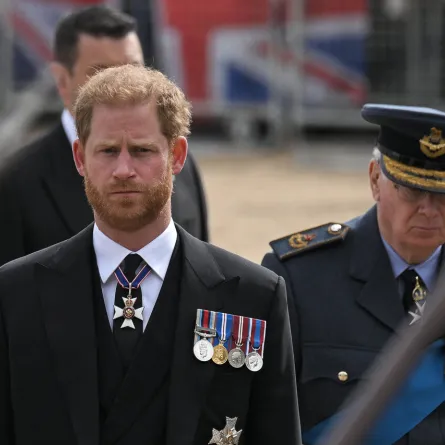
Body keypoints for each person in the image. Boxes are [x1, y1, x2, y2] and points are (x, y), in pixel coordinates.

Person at [0, 64, 301, 445]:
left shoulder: (253, 297)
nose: (123, 170)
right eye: (107, 151)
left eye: (142, 151)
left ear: (177, 155)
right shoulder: (18, 294)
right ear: (80, 157)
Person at [262, 104, 445, 445]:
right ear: (376, 179)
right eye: (412, 189)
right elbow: (262, 415)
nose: (429, 209)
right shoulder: (299, 279)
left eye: (442, 194)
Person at [0, 5, 208, 268]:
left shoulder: (182, 166)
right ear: (62, 81)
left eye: (132, 69)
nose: (121, 85)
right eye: (100, 73)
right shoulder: (16, 184)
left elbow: (202, 277)